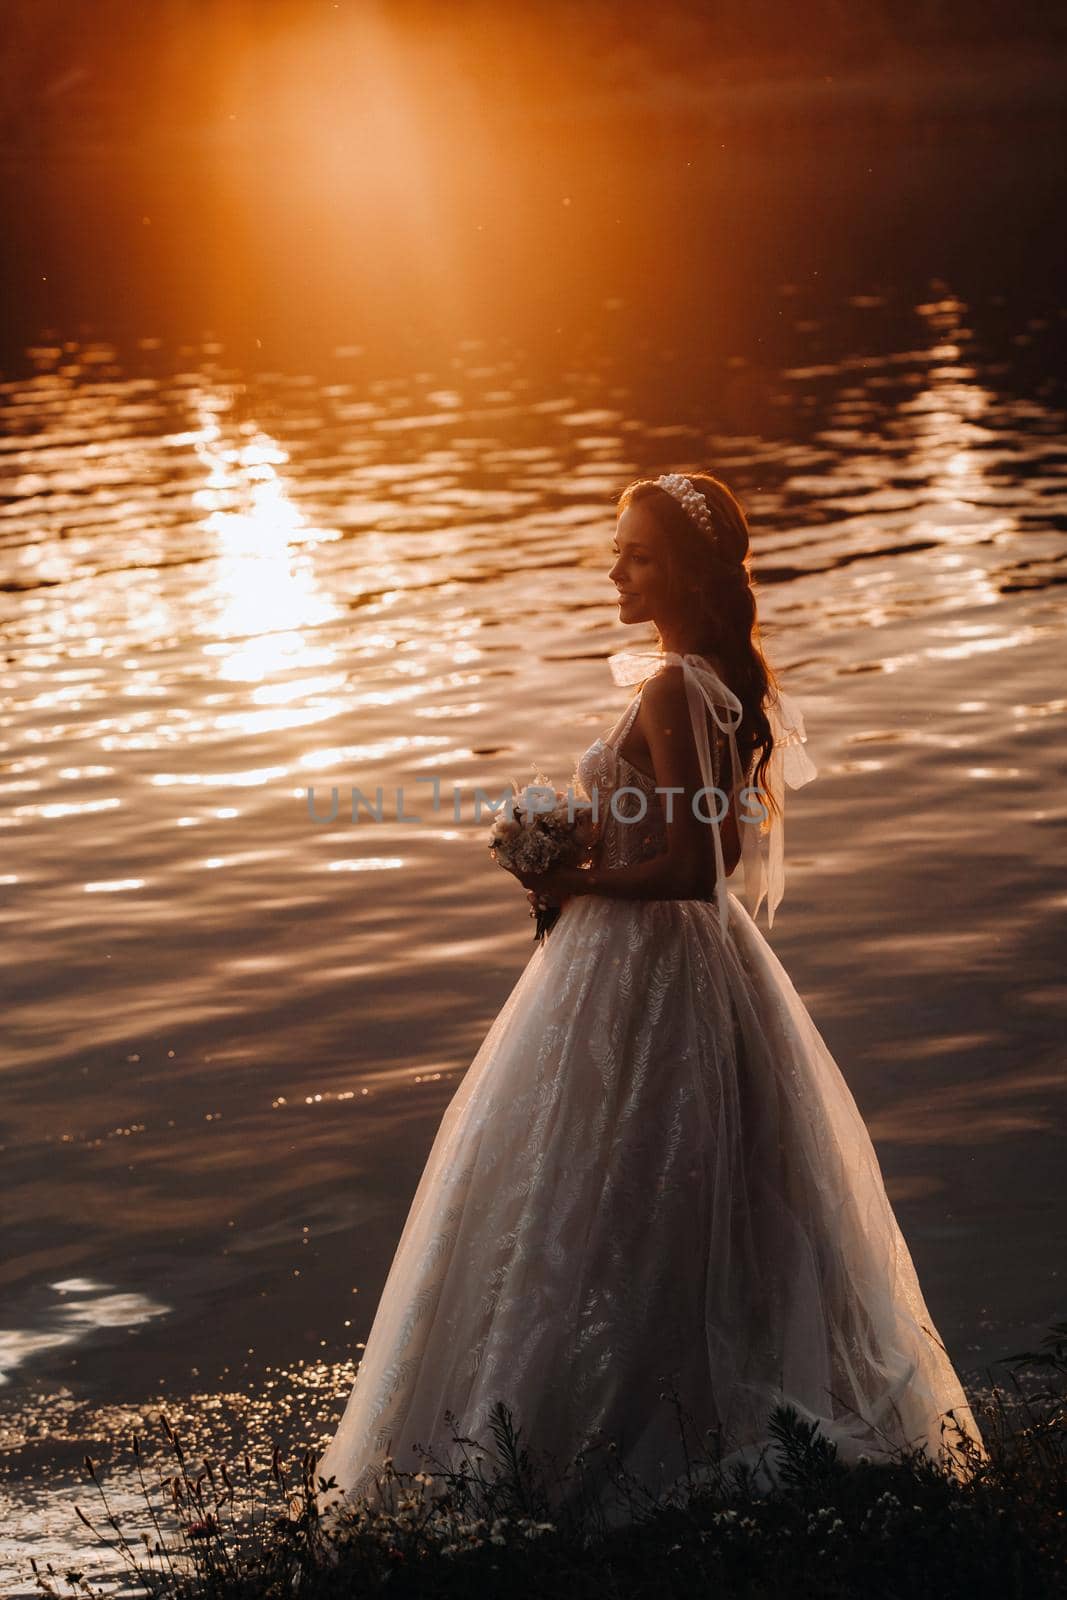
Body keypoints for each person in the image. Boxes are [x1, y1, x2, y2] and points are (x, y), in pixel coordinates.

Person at [314, 471, 987, 1521]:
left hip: (646, 963)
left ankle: (595, 1444)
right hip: (691, 962)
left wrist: (570, 873)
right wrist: (587, 835)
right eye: (615, 546)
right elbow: (697, 842)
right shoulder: (703, 676)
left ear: (682, 568)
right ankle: (673, 1402)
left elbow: (691, 866)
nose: (613, 566)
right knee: (681, 1197)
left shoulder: (678, 686)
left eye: (634, 552)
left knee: (602, 1191)